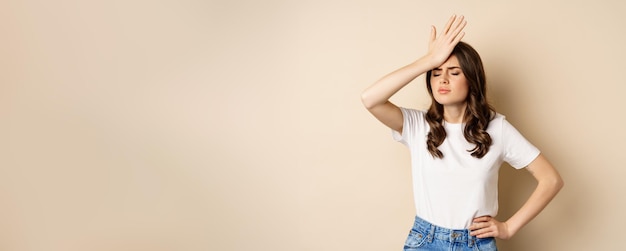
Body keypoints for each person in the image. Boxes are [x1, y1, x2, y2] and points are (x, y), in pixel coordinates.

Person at [360, 15, 564, 251]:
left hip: (475, 244)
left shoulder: (497, 128)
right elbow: (370, 99)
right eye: (436, 73)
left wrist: (508, 227)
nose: (443, 79)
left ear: (472, 80)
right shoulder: (418, 125)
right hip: (425, 241)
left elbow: (551, 180)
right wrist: (428, 60)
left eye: (454, 72)